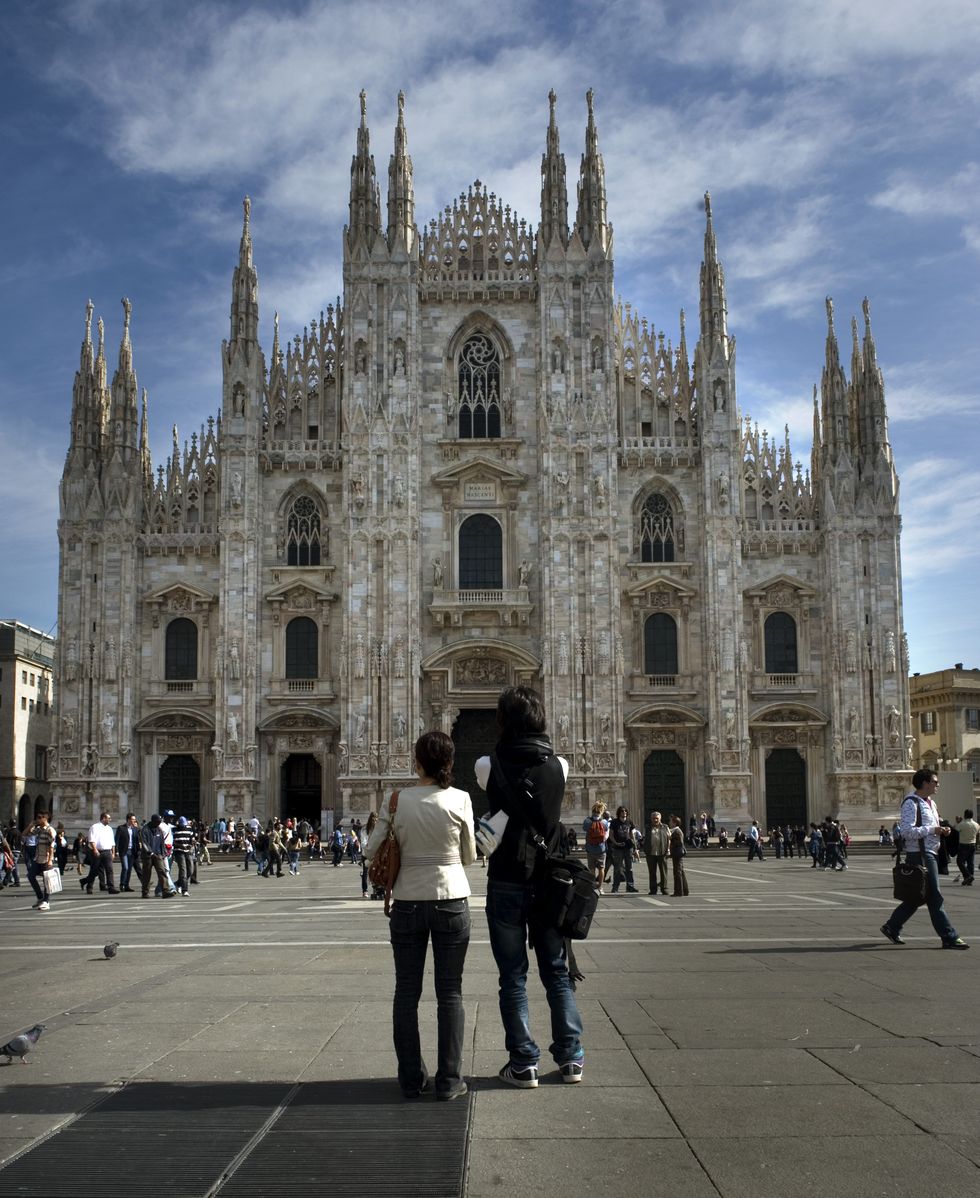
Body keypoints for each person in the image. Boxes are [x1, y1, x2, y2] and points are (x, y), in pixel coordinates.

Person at [475, 685, 584, 1088]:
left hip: (506, 879)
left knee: (512, 976)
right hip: (550, 881)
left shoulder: (487, 765)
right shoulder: (562, 765)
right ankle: (571, 1057)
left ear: (502, 720)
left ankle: (524, 1062)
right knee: (556, 972)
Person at [365, 730, 475, 1101]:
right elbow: (469, 857)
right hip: (451, 900)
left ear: (417, 763)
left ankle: (411, 1079)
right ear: (449, 763)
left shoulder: (396, 800)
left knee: (406, 992)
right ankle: (449, 1080)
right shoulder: (461, 799)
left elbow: (370, 849)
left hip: (408, 903)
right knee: (451, 993)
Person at [881, 769, 968, 950]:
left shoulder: (931, 803)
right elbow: (906, 831)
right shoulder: (911, 804)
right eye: (935, 781)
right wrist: (932, 830)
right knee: (934, 896)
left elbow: (931, 826)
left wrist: (943, 829)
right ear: (924, 783)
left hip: (931, 852)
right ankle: (949, 936)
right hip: (919, 854)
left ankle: (892, 926)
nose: (938, 785)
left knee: (917, 896)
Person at [82, 811, 119, 894]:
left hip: (107, 852)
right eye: (108, 818)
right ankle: (89, 886)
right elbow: (91, 840)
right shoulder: (94, 827)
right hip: (97, 851)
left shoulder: (109, 828)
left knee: (109, 870)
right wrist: (95, 850)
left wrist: (113, 852)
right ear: (103, 818)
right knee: (94, 870)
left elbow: (112, 842)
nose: (110, 820)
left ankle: (111, 888)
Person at [139, 814, 173, 899]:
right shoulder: (145, 830)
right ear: (153, 821)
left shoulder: (159, 830)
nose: (159, 823)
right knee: (146, 874)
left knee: (162, 872)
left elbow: (162, 843)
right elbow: (144, 843)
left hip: (158, 855)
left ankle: (165, 891)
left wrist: (164, 853)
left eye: (160, 822)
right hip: (148, 856)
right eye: (158, 822)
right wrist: (150, 853)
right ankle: (145, 892)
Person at [27, 811, 55, 911]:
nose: (37, 819)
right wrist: (31, 825)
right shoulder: (39, 830)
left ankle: (46, 901)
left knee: (46, 880)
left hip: (46, 859)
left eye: (39, 817)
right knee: (30, 876)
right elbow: (25, 834)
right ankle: (40, 898)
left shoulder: (50, 830)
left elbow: (52, 846)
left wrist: (50, 860)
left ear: (45, 818)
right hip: (38, 858)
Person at [607, 806, 638, 893]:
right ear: (619, 813)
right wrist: (615, 843)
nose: (624, 812)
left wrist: (635, 848)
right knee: (617, 868)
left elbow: (632, 835)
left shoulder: (629, 821)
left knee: (629, 868)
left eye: (625, 811)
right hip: (617, 848)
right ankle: (615, 887)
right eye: (622, 811)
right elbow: (610, 834)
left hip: (628, 847)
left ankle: (630, 886)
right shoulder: (614, 822)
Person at [582, 802, 609, 893]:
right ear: (601, 812)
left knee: (592, 868)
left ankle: (593, 887)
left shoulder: (587, 821)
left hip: (590, 848)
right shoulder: (604, 822)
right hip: (601, 849)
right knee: (601, 868)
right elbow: (606, 831)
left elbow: (584, 829)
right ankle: (600, 887)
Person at [644, 810, 670, 895]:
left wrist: (668, 849)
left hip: (662, 852)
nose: (655, 820)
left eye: (657, 818)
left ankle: (664, 888)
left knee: (663, 872)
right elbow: (644, 839)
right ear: (651, 819)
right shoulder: (647, 827)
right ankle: (653, 889)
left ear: (660, 819)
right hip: (650, 853)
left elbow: (669, 839)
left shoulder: (665, 827)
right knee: (652, 872)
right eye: (653, 818)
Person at [116, 813, 139, 892]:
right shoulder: (121, 828)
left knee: (129, 869)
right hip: (124, 851)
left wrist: (138, 851)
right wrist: (116, 851)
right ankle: (122, 884)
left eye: (134, 819)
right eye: (133, 819)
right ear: (128, 820)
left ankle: (126, 885)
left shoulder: (135, 829)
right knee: (125, 867)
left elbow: (137, 841)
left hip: (132, 851)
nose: (134, 821)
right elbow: (117, 840)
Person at [955, 809, 979, 885]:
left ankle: (968, 876)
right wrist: (976, 844)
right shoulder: (976, 825)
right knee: (970, 862)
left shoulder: (962, 824)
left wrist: (958, 822)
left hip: (963, 845)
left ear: (965, 815)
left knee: (960, 862)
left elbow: (956, 830)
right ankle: (969, 879)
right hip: (973, 844)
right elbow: (978, 835)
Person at [172, 816, 195, 895]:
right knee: (183, 870)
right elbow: (173, 842)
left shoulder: (189, 829)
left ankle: (178, 884)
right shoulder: (174, 830)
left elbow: (192, 839)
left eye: (184, 825)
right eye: (182, 825)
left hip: (188, 851)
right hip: (179, 852)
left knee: (191, 869)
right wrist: (180, 846)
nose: (183, 826)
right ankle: (184, 890)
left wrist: (191, 844)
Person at [668, 814, 689, 896]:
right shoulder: (675, 831)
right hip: (677, 853)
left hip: (677, 853)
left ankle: (678, 891)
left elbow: (679, 842)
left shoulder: (676, 831)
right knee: (681, 872)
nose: (669, 823)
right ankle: (685, 890)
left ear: (674, 823)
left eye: (671, 821)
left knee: (677, 872)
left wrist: (671, 841)